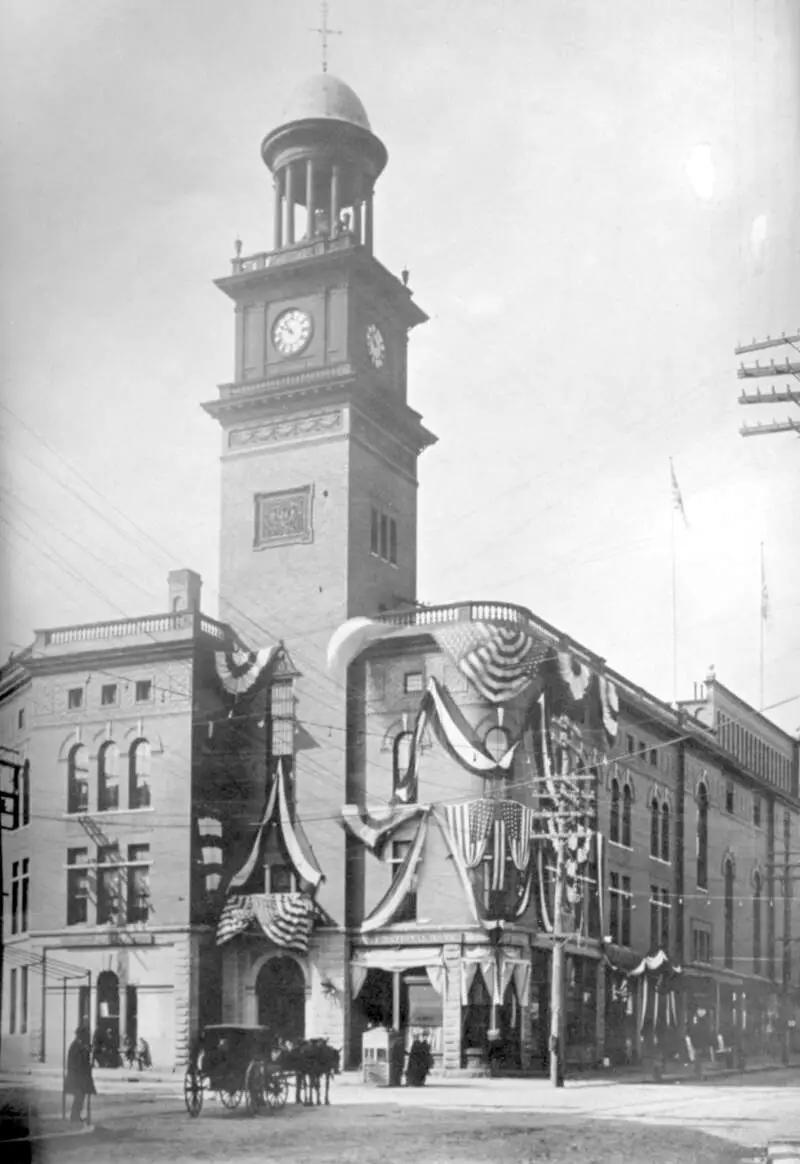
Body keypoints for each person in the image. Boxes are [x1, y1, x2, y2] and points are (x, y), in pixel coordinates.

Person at [65, 1025, 96, 1124]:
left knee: (80, 1098)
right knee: (79, 1098)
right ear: (80, 1035)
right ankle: (74, 1117)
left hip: (80, 1078)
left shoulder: (80, 1045)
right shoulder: (75, 1046)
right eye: (85, 1035)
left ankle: (76, 1116)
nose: (87, 1037)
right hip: (76, 1077)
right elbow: (77, 1063)